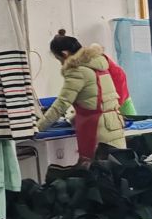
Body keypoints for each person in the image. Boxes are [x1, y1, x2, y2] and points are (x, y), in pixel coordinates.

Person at [38, 31, 129, 163]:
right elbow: (96, 98)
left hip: (97, 129)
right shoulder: (99, 63)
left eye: (59, 59)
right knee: (117, 167)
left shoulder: (77, 70)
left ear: (65, 54)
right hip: (114, 123)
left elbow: (61, 105)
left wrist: (38, 127)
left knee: (98, 170)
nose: (61, 64)